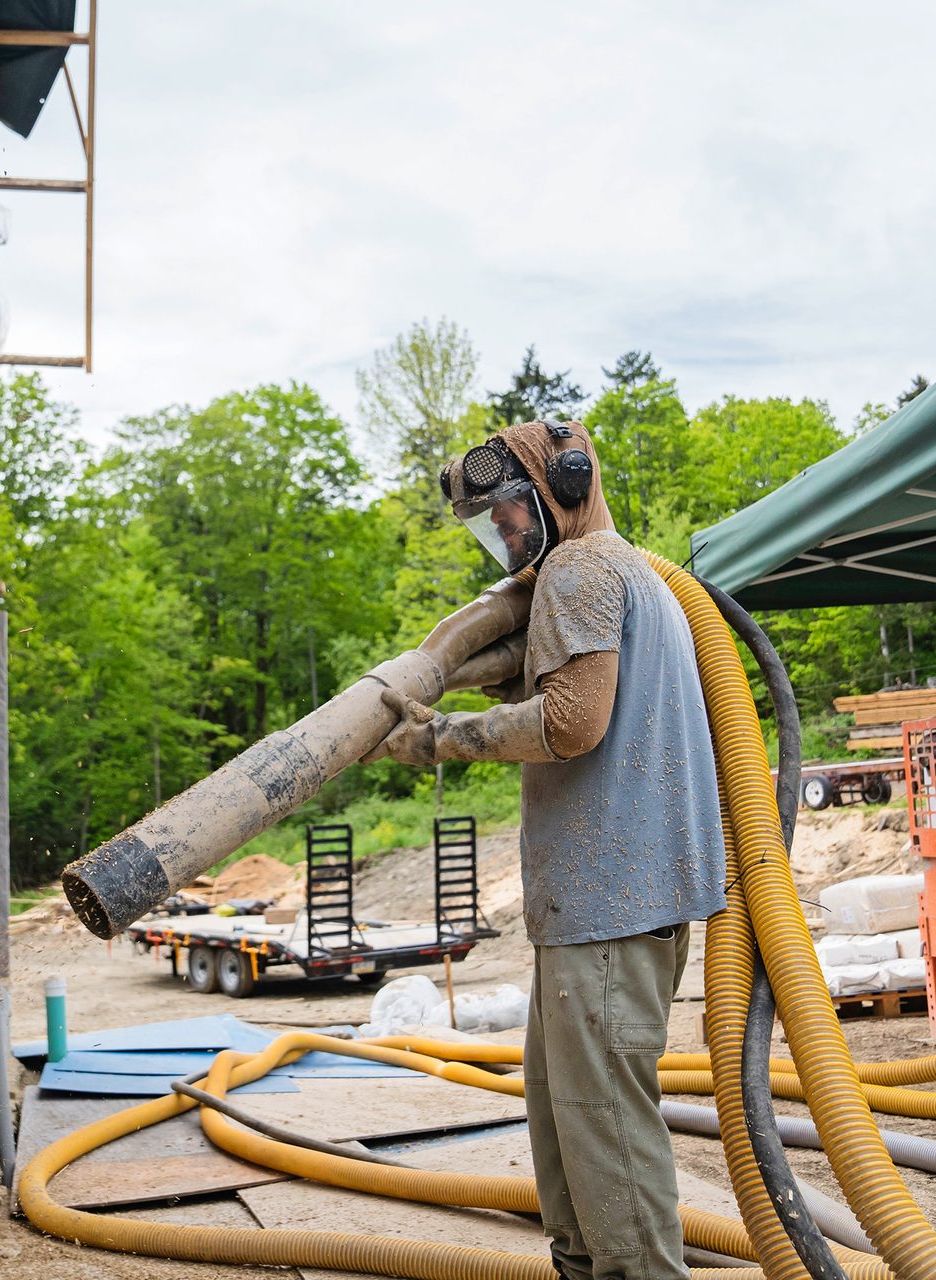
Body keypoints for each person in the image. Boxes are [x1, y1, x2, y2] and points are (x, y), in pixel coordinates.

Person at [363, 419, 727, 1280]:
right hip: (611, 904)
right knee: (567, 1119)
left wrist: (439, 739)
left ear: (564, 485)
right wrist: (435, 672)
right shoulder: (622, 573)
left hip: (609, 900)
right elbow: (529, 660)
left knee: (603, 1124)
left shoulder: (580, 569)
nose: (510, 539)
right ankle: (582, 1265)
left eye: (513, 515)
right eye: (494, 526)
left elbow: (572, 720)